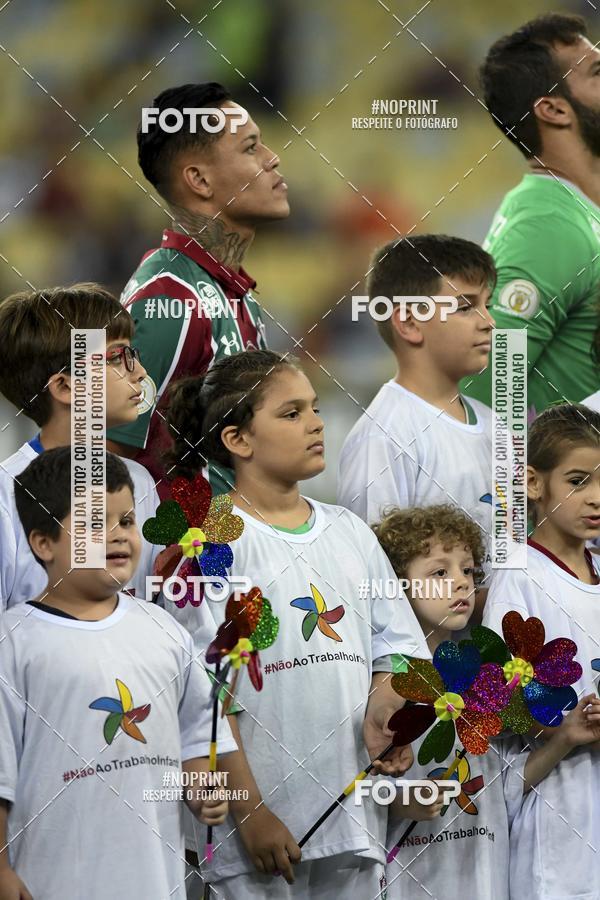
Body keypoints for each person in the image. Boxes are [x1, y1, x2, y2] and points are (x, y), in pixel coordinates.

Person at [159, 349, 430, 899]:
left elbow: (398, 650)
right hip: (251, 836)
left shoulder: (350, 531)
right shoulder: (207, 543)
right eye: (290, 413)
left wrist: (388, 709)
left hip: (352, 820)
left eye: (313, 408)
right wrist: (251, 813)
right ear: (238, 440)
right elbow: (203, 700)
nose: (315, 422)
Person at [0, 448, 236, 900]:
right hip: (50, 882)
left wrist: (201, 786)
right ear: (43, 542)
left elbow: (194, 737)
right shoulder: (14, 644)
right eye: (93, 524)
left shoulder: (164, 629)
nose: (118, 536)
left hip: (157, 881)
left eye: (126, 521)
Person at [373, 503, 600, 900]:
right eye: (440, 572)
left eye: (468, 570)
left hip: (485, 878)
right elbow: (353, 792)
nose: (461, 583)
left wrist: (565, 737)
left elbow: (504, 790)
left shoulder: (486, 680)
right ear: (395, 585)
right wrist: (400, 801)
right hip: (409, 880)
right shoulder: (382, 687)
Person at [107, 81, 290, 496]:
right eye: (250, 148)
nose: (272, 159)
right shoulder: (170, 301)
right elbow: (103, 454)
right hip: (181, 557)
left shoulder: (231, 293)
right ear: (199, 180)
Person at [483, 402, 600, 899]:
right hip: (556, 809)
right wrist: (564, 727)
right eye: (578, 481)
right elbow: (495, 706)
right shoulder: (519, 579)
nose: (596, 498)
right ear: (533, 483)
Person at [337, 234, 496, 584]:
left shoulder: (496, 423)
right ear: (409, 323)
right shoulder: (382, 438)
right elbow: (374, 579)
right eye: (466, 306)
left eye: (488, 304)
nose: (489, 322)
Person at [463, 13, 600, 415]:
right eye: (598, 72)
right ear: (554, 110)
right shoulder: (549, 227)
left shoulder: (569, 211)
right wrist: (517, 480)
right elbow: (486, 390)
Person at [0, 284, 160, 609]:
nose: (140, 373)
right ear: (64, 386)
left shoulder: (140, 481)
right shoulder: (5, 494)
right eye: (116, 357)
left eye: (134, 354)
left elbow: (157, 610)